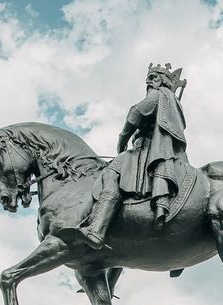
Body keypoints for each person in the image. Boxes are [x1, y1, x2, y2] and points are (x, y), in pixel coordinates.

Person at [60, 63, 188, 250]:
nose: (148, 81)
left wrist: (122, 139)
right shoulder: (173, 101)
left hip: (148, 149)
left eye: (153, 77)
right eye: (148, 78)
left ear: (162, 81)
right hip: (162, 150)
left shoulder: (158, 95)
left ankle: (97, 229)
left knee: (111, 171)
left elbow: (135, 113)